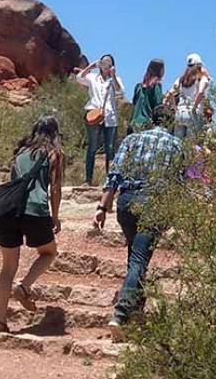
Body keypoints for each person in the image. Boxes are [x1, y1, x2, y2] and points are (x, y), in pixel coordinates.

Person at [94, 106, 184, 340]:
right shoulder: (176, 146)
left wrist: (102, 207)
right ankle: (121, 315)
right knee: (139, 260)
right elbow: (181, 182)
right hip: (154, 203)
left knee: (136, 256)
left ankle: (135, 313)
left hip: (127, 202)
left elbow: (114, 175)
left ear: (151, 120)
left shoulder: (132, 140)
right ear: (171, 122)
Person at [0, 114, 64, 334]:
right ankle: (24, 287)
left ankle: (1, 320)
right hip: (36, 209)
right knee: (49, 252)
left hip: (10, 211)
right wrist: (55, 216)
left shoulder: (20, 153)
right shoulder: (54, 154)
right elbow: (55, 188)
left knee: (7, 268)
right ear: (54, 133)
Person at [75, 55, 124, 186]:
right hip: (94, 114)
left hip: (110, 116)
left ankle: (110, 181)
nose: (105, 64)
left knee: (109, 148)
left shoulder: (115, 80)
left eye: (109, 62)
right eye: (104, 61)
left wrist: (113, 75)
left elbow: (120, 91)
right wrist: (91, 66)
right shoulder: (92, 78)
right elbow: (79, 78)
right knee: (92, 146)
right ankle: (88, 179)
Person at [167, 53, 210, 139]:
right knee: (192, 144)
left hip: (180, 112)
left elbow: (170, 93)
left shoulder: (181, 79)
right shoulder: (202, 79)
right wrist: (194, 107)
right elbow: (201, 92)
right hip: (193, 113)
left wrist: (174, 107)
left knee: (178, 142)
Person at [129, 59, 165, 133]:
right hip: (146, 123)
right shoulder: (156, 86)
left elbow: (134, 103)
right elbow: (158, 105)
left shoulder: (138, 86)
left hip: (134, 123)